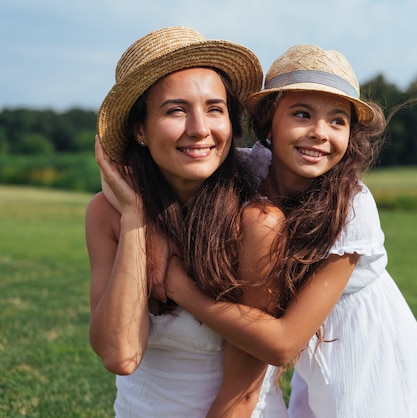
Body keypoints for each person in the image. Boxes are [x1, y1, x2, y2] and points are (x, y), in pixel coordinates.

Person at [164, 44, 417, 417]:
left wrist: (178, 287)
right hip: (315, 349)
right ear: (269, 120)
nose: (319, 133)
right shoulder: (250, 170)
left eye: (337, 121)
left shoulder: (351, 205)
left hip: (367, 350)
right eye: (302, 114)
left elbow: (282, 344)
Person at [86, 26, 288, 417]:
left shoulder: (257, 224)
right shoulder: (106, 214)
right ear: (140, 130)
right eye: (176, 110)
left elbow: (243, 396)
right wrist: (135, 220)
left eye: (215, 109)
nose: (200, 129)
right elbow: (120, 355)